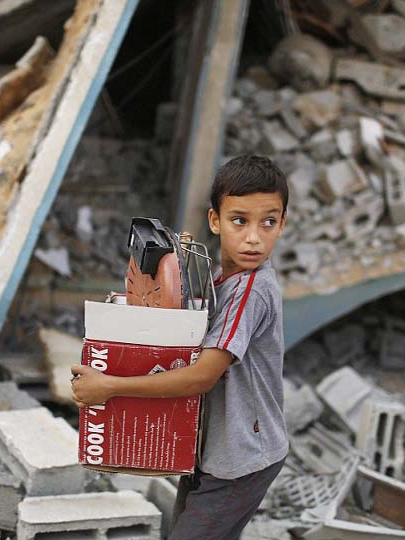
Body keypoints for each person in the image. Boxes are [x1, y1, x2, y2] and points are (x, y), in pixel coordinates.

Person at [70, 154, 289, 539]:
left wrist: (110, 386)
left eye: (268, 222)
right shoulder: (223, 276)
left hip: (240, 459)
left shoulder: (251, 290)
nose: (254, 236)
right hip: (213, 449)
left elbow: (201, 377)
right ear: (215, 221)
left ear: (282, 224)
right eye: (240, 220)